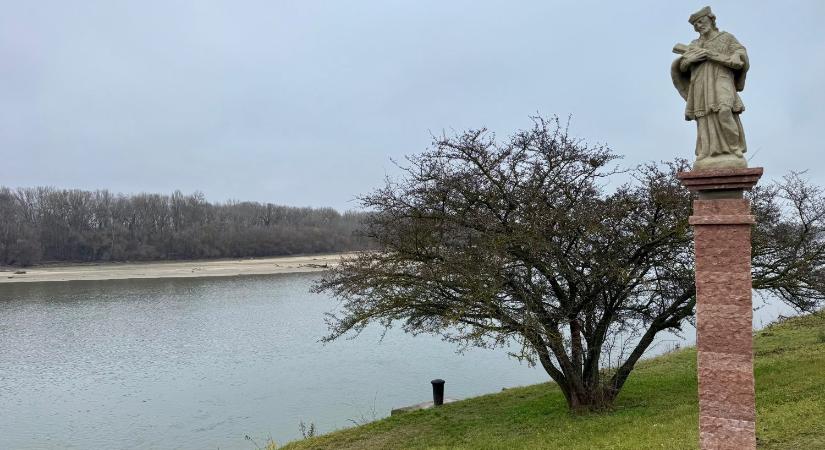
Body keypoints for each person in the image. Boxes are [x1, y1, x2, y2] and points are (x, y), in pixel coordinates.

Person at [671, 6, 749, 170]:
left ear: (711, 19)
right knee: (705, 117)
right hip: (701, 82)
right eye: (696, 24)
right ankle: (707, 152)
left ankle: (734, 149)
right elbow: (683, 66)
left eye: (701, 21)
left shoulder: (726, 38)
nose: (699, 25)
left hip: (721, 78)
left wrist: (735, 56)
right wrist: (691, 60)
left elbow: (740, 54)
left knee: (724, 110)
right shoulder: (695, 44)